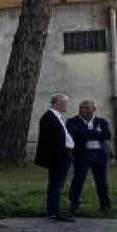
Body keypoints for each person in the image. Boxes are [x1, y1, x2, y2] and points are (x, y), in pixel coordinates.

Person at [66, 100, 113, 215]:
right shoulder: (72, 121)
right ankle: (74, 203)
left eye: (87, 108)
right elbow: (75, 135)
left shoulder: (101, 121)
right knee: (78, 179)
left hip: (99, 155)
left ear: (94, 109)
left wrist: (86, 133)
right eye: (81, 107)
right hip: (81, 155)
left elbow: (106, 135)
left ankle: (105, 205)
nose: (83, 110)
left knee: (102, 181)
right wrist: (95, 133)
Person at [33, 94, 75, 222]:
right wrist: (62, 153)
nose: (66, 106)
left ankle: (53, 209)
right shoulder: (50, 117)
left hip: (62, 155)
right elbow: (51, 140)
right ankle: (54, 210)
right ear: (57, 103)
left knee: (57, 184)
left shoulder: (56, 117)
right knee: (56, 184)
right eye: (64, 103)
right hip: (58, 157)